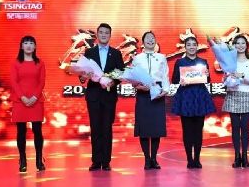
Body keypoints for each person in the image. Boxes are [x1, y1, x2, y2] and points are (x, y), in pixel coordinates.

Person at [81, 23, 125, 171]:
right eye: (101, 32)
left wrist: (112, 81)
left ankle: (106, 161)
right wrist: (82, 77)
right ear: (97, 34)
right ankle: (96, 161)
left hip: (109, 95)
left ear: (110, 35)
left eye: (106, 33)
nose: (104, 35)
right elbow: (83, 73)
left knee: (107, 128)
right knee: (95, 128)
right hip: (93, 95)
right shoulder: (89, 52)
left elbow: (121, 72)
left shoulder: (116, 53)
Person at [171, 36, 216, 168]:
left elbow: (207, 80)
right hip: (185, 97)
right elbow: (174, 80)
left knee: (198, 130)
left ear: (197, 46)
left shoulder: (203, 62)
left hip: (199, 97)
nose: (191, 47)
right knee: (187, 130)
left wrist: (207, 74)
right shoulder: (180, 62)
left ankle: (197, 159)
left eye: (194, 44)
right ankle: (189, 160)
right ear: (185, 47)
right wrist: (181, 80)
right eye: (189, 45)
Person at [131, 31, 169, 170]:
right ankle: (147, 159)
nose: (150, 40)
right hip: (143, 94)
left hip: (157, 93)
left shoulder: (161, 57)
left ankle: (154, 158)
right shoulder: (137, 58)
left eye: (153, 38)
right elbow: (133, 77)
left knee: (156, 128)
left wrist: (165, 90)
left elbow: (165, 75)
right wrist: (138, 86)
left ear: (155, 41)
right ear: (143, 42)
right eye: (147, 38)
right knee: (144, 129)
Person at [10, 35, 46, 173]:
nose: (29, 45)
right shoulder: (15, 63)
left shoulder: (40, 63)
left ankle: (39, 160)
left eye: (31, 43)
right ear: (21, 46)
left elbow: (42, 81)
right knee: (21, 131)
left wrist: (35, 97)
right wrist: (23, 97)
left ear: (35, 46)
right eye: (26, 43)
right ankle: (23, 160)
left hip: (36, 101)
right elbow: (14, 81)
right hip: (20, 101)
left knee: (37, 130)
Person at [221, 35, 249, 168]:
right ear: (233, 46)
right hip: (232, 94)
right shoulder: (229, 62)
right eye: (237, 43)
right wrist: (226, 77)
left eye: (243, 43)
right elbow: (224, 80)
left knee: (245, 127)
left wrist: (240, 75)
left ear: (246, 46)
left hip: (246, 94)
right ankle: (237, 156)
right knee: (235, 127)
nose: (240, 46)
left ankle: (245, 156)